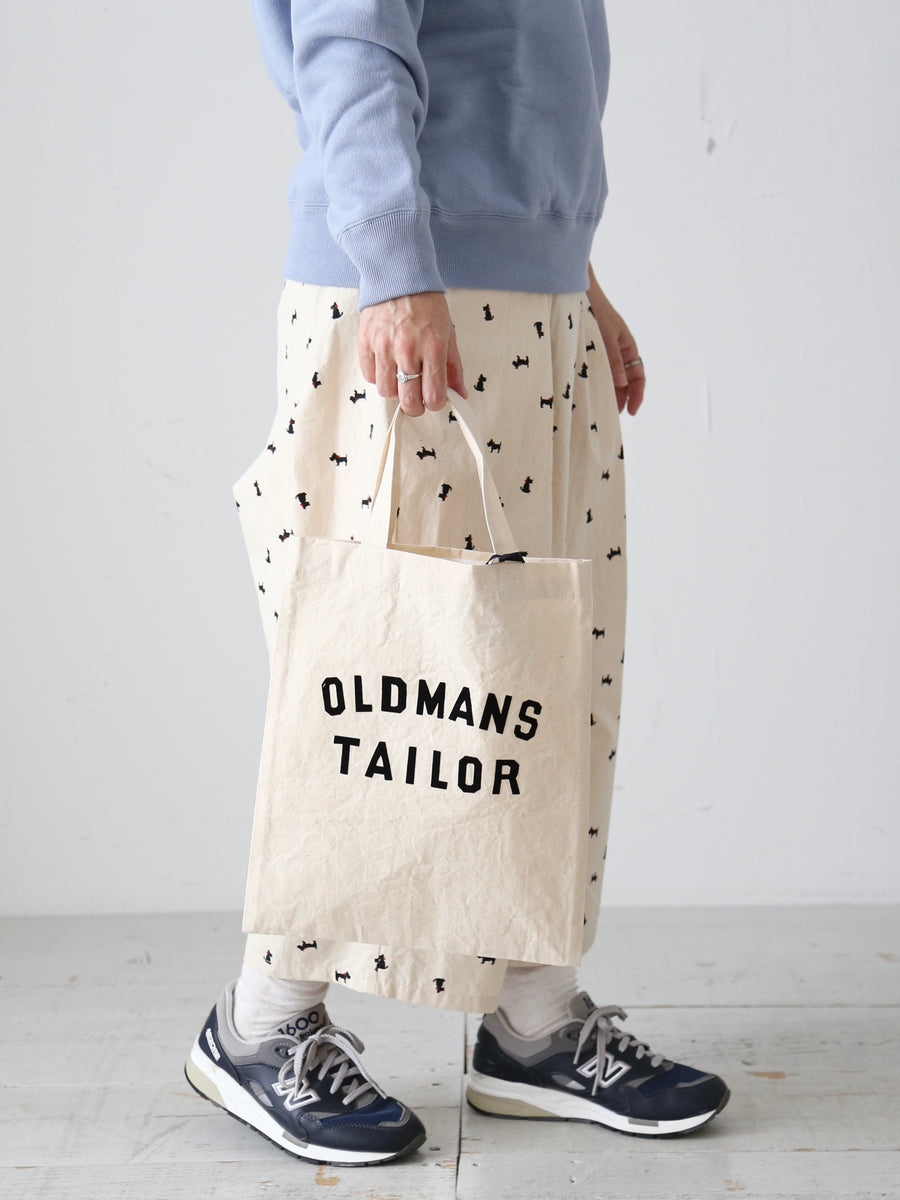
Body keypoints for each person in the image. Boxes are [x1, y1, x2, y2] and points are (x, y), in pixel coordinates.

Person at [184, 0, 729, 1166]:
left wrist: (574, 273)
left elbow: (520, 61)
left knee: (538, 672)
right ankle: (262, 1020)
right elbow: (352, 40)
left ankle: (533, 1021)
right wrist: (393, 266)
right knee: (372, 678)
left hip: (521, 291)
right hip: (411, 286)